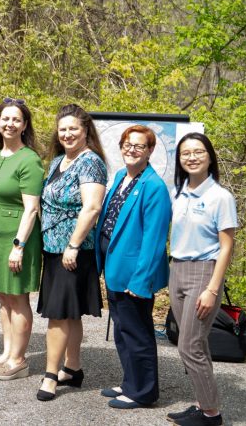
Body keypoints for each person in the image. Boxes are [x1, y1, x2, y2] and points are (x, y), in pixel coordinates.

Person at [95, 124, 171, 409]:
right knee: (122, 331)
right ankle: (130, 382)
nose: (132, 149)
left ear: (150, 151)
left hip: (133, 276)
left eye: (139, 146)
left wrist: (141, 281)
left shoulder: (154, 187)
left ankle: (143, 392)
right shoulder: (120, 177)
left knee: (137, 334)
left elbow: (154, 241)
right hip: (115, 270)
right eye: (128, 144)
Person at [35, 104, 107, 400]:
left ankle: (51, 376)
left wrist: (73, 245)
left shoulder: (91, 162)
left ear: (86, 130)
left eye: (73, 129)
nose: (67, 134)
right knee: (70, 313)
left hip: (73, 250)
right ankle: (73, 368)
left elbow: (92, 207)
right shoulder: (58, 161)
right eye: (62, 129)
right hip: (53, 249)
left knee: (57, 315)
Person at [165, 133, 237, 426]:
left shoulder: (220, 197)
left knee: (189, 346)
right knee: (197, 345)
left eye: (198, 152)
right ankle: (202, 404)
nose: (192, 157)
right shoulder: (178, 192)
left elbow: (227, 247)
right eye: (185, 153)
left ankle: (211, 414)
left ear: (209, 157)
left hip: (204, 273)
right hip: (178, 270)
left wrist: (212, 289)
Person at [0, 98, 44, 381]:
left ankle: (19, 360)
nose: (10, 124)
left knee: (17, 298)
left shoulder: (29, 160)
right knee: (3, 297)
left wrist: (19, 246)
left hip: (17, 237)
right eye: (5, 118)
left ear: (24, 125)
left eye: (16, 119)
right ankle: (6, 354)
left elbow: (32, 208)